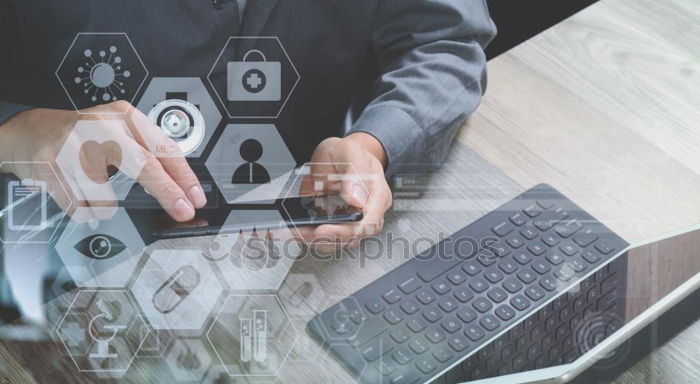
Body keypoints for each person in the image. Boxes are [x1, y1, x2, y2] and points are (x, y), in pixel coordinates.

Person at [0, 0, 496, 251]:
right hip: (51, 247)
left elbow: (443, 42)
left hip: (292, 240)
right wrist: (20, 130)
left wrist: (373, 143)